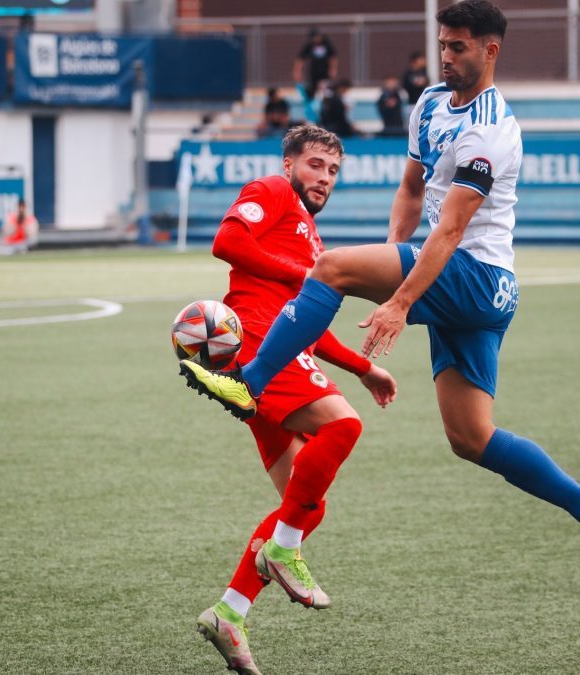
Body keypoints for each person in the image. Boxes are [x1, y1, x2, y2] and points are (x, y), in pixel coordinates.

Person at [179, 0, 580, 591]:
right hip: (459, 281)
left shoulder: (493, 129)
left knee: (331, 266)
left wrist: (395, 297)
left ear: (490, 50)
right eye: (443, 44)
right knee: (471, 438)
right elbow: (412, 189)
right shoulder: (428, 105)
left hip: (477, 277)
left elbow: (450, 230)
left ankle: (250, 383)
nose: (446, 56)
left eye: (459, 47)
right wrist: (391, 261)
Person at [194, 125, 398, 675]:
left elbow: (304, 323)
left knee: (306, 505)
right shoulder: (273, 191)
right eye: (314, 165)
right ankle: (281, 554)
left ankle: (229, 612)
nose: (323, 178)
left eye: (332, 170)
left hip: (277, 346)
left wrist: (364, 367)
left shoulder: (310, 235)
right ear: (289, 164)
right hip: (258, 341)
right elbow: (227, 243)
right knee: (343, 428)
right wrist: (306, 275)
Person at [293, 29, 337, 101]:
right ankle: (312, 103)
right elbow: (300, 58)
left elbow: (333, 57)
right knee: (312, 89)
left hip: (324, 71)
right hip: (314, 71)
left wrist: (333, 69)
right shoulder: (310, 45)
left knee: (325, 89)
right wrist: (297, 71)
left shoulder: (326, 44)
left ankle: (326, 102)